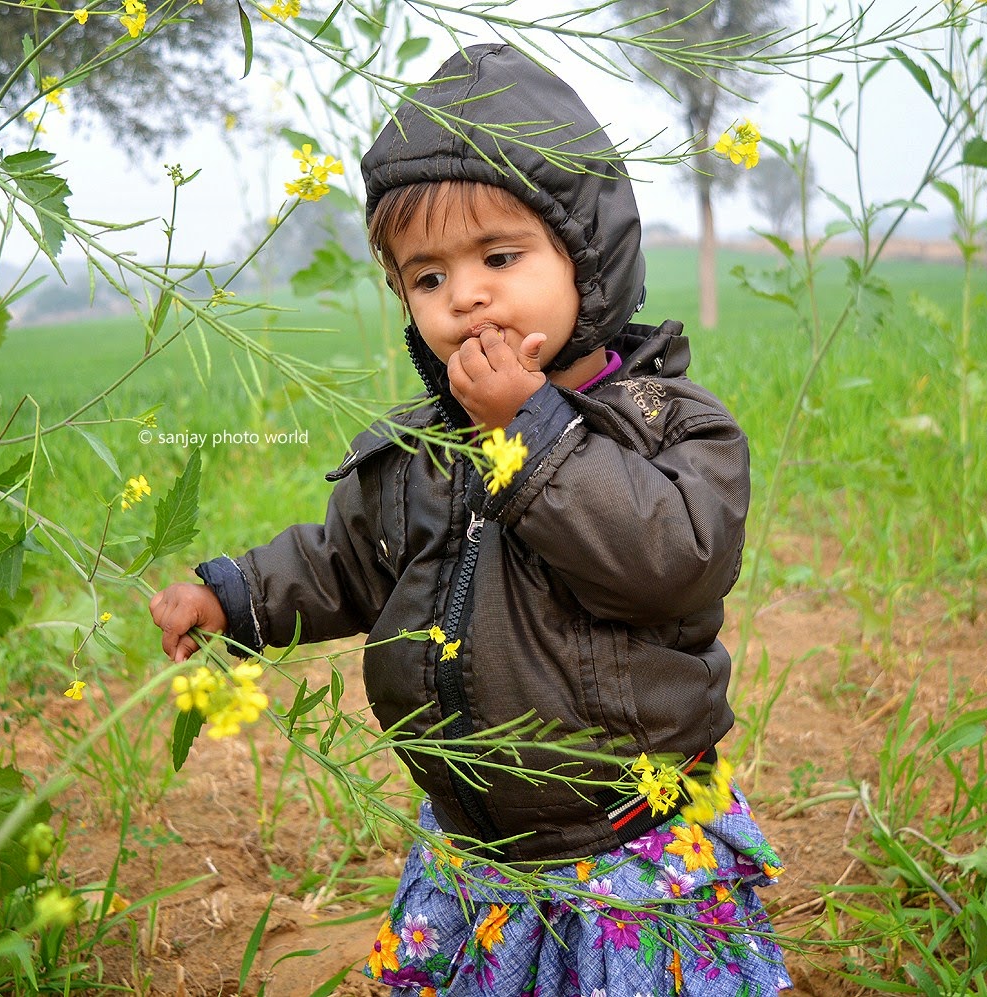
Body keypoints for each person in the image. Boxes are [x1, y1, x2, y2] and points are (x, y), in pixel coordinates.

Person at [149, 43, 792, 996]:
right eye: (428, 278)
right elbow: (344, 566)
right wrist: (230, 595)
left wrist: (529, 429)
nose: (467, 297)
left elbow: (672, 559)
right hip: (474, 837)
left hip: (625, 833)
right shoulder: (419, 449)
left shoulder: (668, 427)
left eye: (500, 257)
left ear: (588, 254)